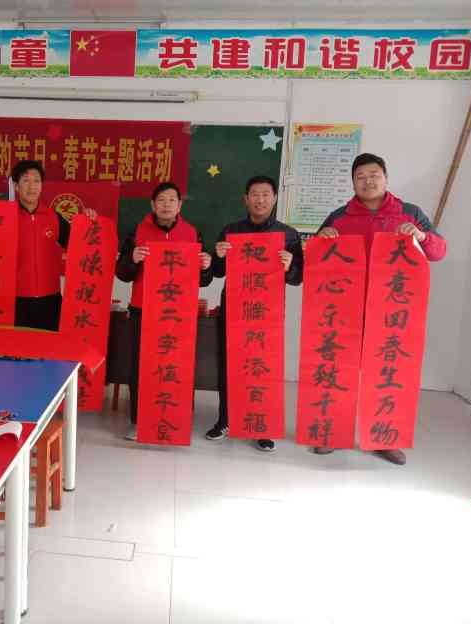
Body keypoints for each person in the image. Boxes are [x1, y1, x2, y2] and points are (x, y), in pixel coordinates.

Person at [316, 152, 447, 465]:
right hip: (347, 309)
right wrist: (321, 239)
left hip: (392, 312)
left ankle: (385, 438)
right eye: (360, 177)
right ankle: (333, 433)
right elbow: (315, 256)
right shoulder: (339, 216)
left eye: (374, 175)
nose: (368, 181)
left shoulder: (409, 213)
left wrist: (421, 236)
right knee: (340, 369)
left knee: (388, 372)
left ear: (386, 178)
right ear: (352, 182)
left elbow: (438, 251)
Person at [206, 175, 303, 451]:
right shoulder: (231, 231)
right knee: (229, 365)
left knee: (264, 368)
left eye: (265, 194)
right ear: (245, 199)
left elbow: (298, 278)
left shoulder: (288, 235)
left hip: (267, 314)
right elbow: (216, 273)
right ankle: (225, 419)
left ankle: (262, 426)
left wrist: (290, 266)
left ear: (274, 198)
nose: (260, 200)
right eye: (255, 195)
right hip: (234, 310)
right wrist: (218, 257)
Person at [115, 181, 213, 441]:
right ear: (153, 205)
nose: (166, 205)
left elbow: (204, 281)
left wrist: (205, 267)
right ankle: (138, 421)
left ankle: (176, 419)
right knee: (141, 368)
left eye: (172, 200)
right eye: (161, 200)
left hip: (179, 315)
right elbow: (122, 273)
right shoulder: (137, 231)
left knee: (177, 367)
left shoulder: (192, 233)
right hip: (143, 311)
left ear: (180, 205)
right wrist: (132, 259)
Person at [10, 159, 96, 331]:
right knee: (16, 346)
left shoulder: (53, 217)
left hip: (50, 299)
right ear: (16, 186)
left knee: (49, 346)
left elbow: (79, 245)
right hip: (16, 299)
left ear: (42, 186)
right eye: (26, 181)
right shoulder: (5, 217)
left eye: (36, 181)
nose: (32, 187)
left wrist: (88, 223)